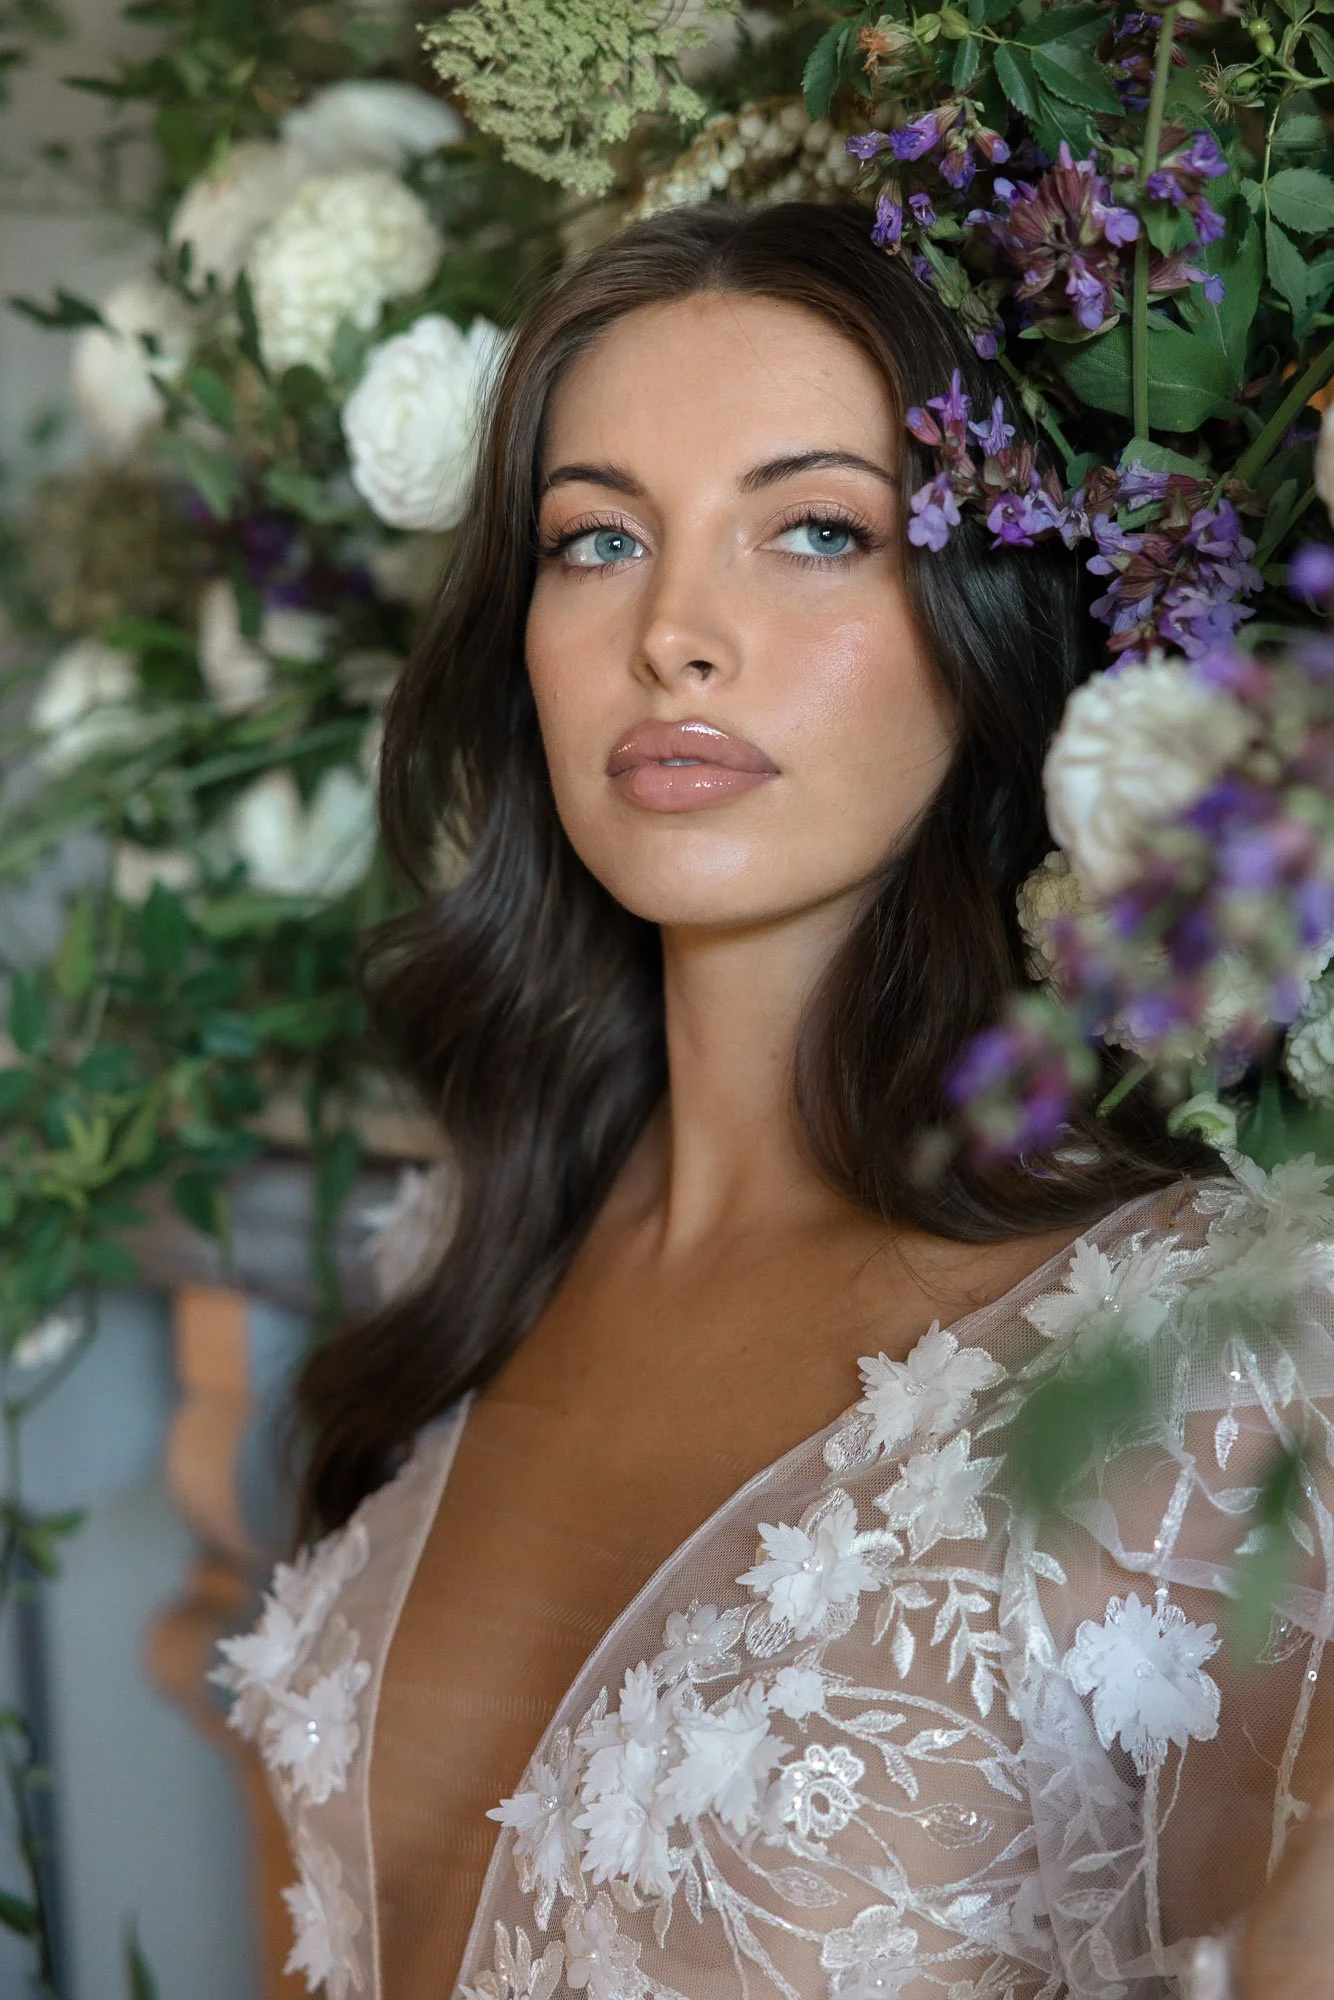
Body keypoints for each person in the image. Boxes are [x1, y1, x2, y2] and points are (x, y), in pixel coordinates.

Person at [214, 202, 1334, 2000]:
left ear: (989, 619)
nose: (675, 633)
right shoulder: (450, 1255)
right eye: (594, 542)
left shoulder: (1217, 1356)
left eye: (816, 529)